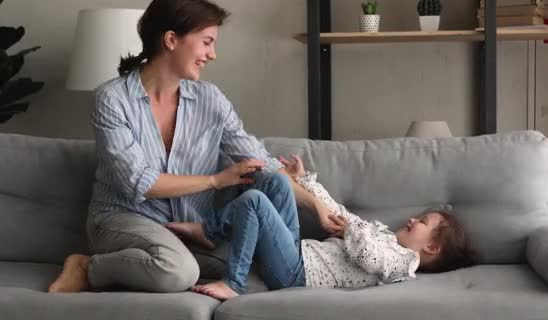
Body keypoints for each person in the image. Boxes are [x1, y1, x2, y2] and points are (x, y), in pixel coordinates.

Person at [48, 0, 344, 294]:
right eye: (206, 42)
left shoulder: (210, 100)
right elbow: (138, 181)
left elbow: (259, 160)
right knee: (178, 272)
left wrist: (317, 205)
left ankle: (170, 261)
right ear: (171, 40)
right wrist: (216, 181)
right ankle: (88, 268)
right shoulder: (112, 99)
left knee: (255, 275)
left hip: (188, 229)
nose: (212, 55)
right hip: (124, 219)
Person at [191, 155, 476, 300]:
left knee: (254, 201)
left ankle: (234, 282)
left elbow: (370, 257)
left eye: (422, 222)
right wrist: (305, 181)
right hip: (294, 252)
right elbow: (337, 213)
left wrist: (351, 230)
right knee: (278, 182)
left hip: (295, 273)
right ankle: (210, 231)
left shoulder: (403, 263)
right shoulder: (385, 236)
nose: (413, 219)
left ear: (431, 247)